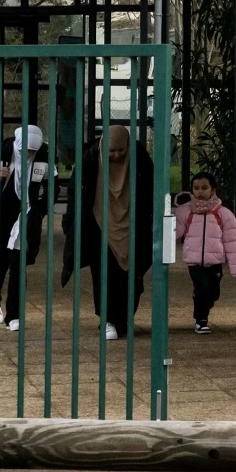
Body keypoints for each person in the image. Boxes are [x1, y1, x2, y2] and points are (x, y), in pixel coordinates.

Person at [64, 122, 158, 340]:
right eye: (111, 151)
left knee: (131, 276)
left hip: (132, 228)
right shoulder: (89, 160)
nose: (115, 156)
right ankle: (107, 319)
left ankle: (123, 318)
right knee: (104, 275)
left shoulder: (140, 160)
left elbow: (150, 190)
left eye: (120, 151)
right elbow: (76, 193)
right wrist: (71, 224)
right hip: (99, 226)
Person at [0, 124, 50, 332]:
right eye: (25, 151)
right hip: (1, 213)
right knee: (0, 261)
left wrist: (40, 210)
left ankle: (14, 314)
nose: (29, 155)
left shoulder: (44, 155)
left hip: (27, 214)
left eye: (33, 152)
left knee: (18, 263)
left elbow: (52, 184)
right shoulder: (1, 151)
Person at [174, 171, 236, 336]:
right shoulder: (186, 212)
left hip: (215, 261)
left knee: (213, 292)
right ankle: (201, 320)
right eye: (196, 188)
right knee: (202, 287)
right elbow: (175, 231)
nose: (200, 192)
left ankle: (203, 305)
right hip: (194, 261)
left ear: (212, 190)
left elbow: (232, 241)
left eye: (204, 188)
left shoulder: (223, 214)